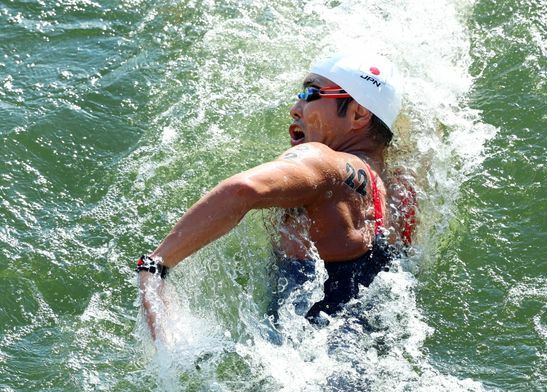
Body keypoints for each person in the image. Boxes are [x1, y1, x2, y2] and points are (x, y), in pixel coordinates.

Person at [136, 51, 416, 339]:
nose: (296, 108)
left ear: (358, 113)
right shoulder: (397, 191)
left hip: (309, 361)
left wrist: (156, 264)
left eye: (311, 94)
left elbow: (243, 190)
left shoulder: (322, 160)